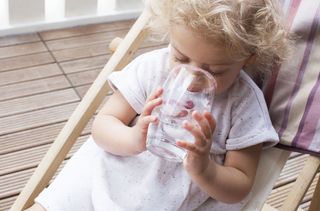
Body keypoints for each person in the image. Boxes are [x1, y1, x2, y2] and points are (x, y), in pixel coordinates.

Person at [27, 0, 290, 210]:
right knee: (62, 197)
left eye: (216, 71)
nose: (192, 78)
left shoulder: (243, 104)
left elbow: (240, 184)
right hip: (111, 173)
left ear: (248, 58)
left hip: (171, 200)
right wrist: (134, 137)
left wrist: (204, 169)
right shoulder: (151, 69)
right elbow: (103, 125)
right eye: (181, 57)